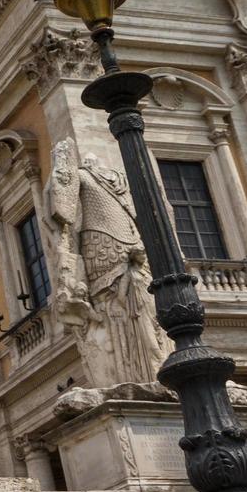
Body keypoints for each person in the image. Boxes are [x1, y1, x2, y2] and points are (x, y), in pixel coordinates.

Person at [46, 139, 170, 386]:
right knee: (114, 308)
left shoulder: (123, 181)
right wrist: (63, 162)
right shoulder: (82, 176)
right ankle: (134, 375)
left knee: (145, 308)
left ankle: (153, 369)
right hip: (102, 252)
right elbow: (64, 209)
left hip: (127, 249)